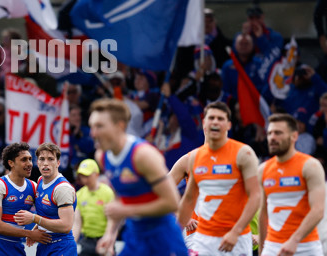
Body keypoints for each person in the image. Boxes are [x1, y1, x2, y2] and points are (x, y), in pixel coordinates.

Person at [88, 98, 187, 256]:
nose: (93, 133)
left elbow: (172, 202)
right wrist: (110, 234)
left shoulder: (143, 155)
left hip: (162, 236)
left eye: (99, 126)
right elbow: (120, 198)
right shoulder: (102, 156)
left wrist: (126, 210)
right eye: (92, 126)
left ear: (120, 125)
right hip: (134, 235)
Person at [178, 101, 260, 256]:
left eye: (220, 119)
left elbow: (255, 196)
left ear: (229, 125)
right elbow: (188, 200)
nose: (215, 122)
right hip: (202, 237)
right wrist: (175, 235)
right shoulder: (195, 157)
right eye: (211, 118)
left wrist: (236, 232)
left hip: (236, 237)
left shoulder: (244, 154)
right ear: (204, 123)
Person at [258, 113, 325, 256]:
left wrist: (294, 240)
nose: (272, 138)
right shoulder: (263, 169)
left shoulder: (310, 166)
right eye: (269, 133)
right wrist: (262, 250)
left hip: (305, 247)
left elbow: (318, 210)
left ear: (294, 136)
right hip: (272, 246)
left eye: (278, 133)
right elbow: (263, 213)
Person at [0, 142, 50, 256]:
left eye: (30, 159)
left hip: (16, 245)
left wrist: (36, 226)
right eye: (24, 160)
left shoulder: (33, 186)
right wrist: (29, 234)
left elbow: (45, 214)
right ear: (11, 163)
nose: (29, 164)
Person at [14, 142, 78, 256]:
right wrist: (37, 227)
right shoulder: (40, 181)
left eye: (50, 159)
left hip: (61, 246)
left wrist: (34, 218)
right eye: (42, 159)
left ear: (58, 163)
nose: (45, 163)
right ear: (37, 162)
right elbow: (49, 213)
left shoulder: (62, 188)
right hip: (44, 244)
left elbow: (66, 226)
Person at [72, 159, 115, 256]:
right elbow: (77, 224)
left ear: (96, 174)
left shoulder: (108, 192)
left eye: (87, 176)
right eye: (82, 176)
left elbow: (112, 221)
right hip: (87, 241)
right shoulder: (79, 194)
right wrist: (72, 245)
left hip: (106, 239)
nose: (84, 179)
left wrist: (110, 244)